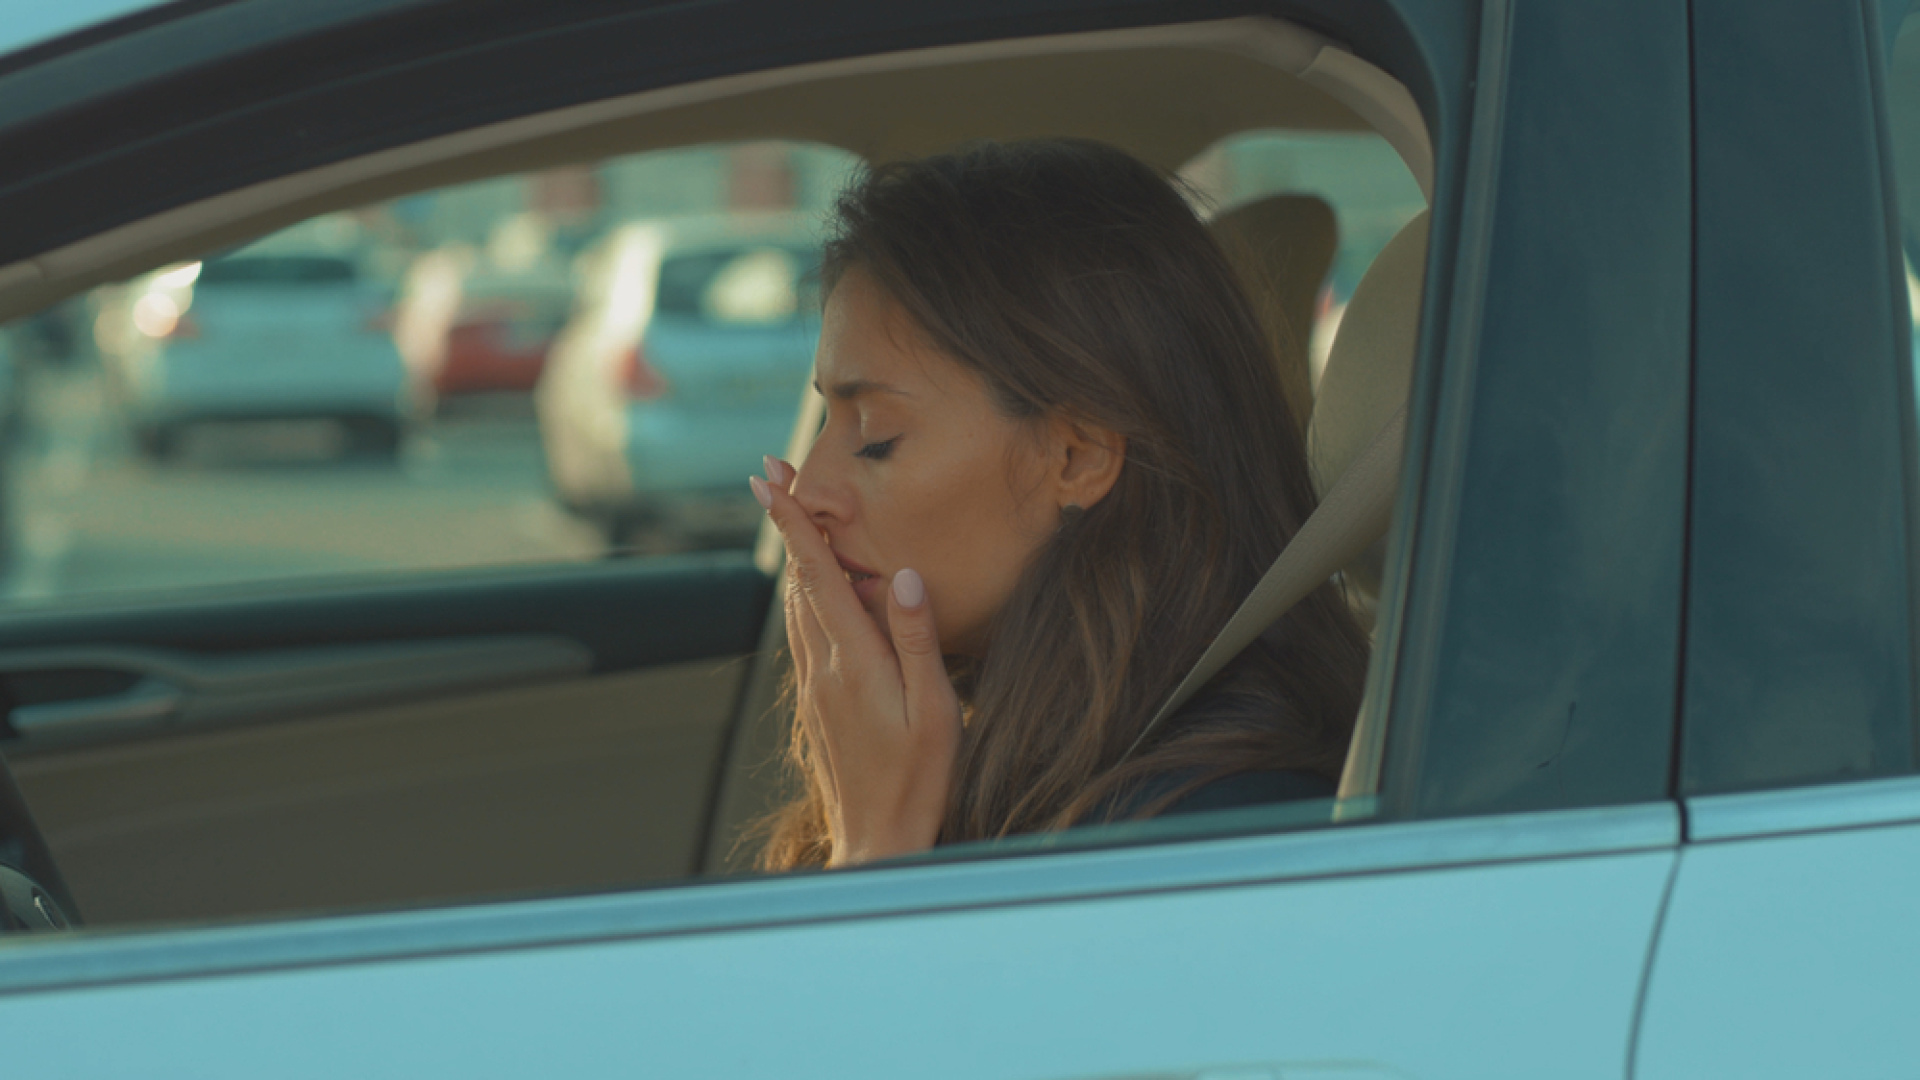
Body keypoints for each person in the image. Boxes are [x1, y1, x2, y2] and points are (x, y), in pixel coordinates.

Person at [748, 138, 1370, 870]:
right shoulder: (1021, 748)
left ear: (1077, 458)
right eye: (826, 418)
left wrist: (875, 850)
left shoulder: (1211, 828)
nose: (807, 491)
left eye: (877, 436)